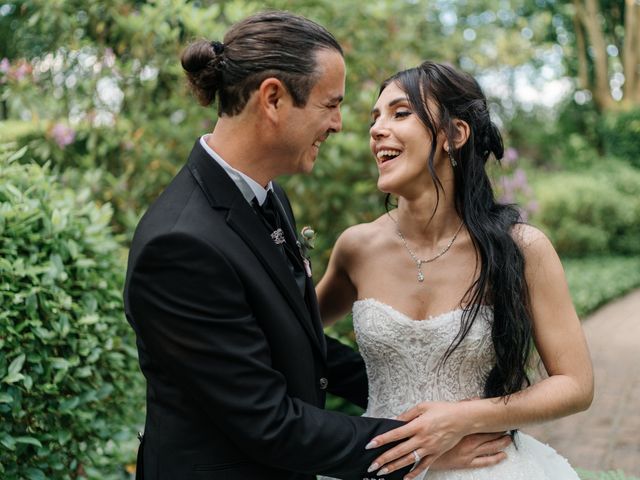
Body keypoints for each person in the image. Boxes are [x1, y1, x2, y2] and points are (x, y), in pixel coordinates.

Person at [123, 12, 510, 480]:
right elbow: (269, 423)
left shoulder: (264, 196)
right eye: (331, 104)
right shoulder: (179, 244)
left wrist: (436, 393)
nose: (341, 125)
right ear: (273, 99)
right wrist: (419, 447)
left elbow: (290, 342)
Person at [316, 61, 594, 480]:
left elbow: (576, 384)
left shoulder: (522, 248)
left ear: (454, 134)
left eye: (400, 113)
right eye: (374, 118)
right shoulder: (356, 247)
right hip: (381, 469)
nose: (376, 130)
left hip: (488, 468)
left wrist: (463, 419)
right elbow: (291, 338)